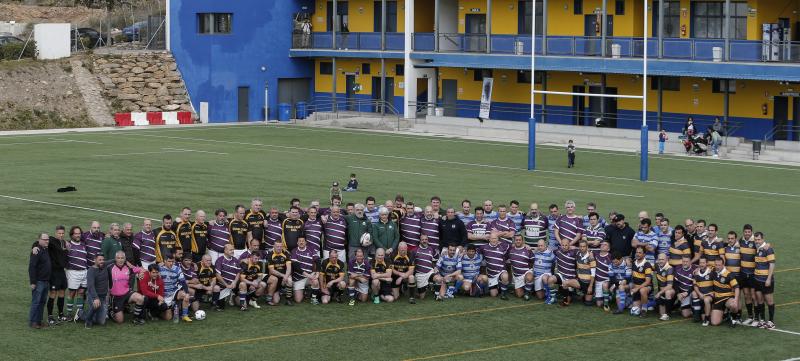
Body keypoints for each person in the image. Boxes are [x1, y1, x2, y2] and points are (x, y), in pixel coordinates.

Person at [108, 251, 146, 325]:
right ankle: (110, 311)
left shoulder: (129, 267)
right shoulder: (110, 268)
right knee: (120, 321)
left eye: (122, 258)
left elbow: (142, 270)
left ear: (125, 259)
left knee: (140, 298)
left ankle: (136, 318)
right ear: (115, 259)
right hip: (116, 297)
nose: (120, 260)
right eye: (118, 258)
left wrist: (141, 273)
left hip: (127, 293)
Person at [65, 226, 88, 322]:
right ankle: (69, 314)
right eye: (76, 233)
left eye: (79, 233)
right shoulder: (68, 245)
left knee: (81, 292)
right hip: (73, 272)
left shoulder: (83, 244)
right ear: (72, 235)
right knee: (72, 293)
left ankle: (79, 313)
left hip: (84, 272)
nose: (78, 235)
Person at [159, 255, 192, 323]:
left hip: (173, 292)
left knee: (185, 295)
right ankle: (157, 314)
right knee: (168, 318)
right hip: (163, 294)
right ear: (164, 261)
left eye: (172, 261)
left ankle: (185, 315)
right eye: (169, 261)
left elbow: (183, 281)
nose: (171, 263)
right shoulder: (159, 269)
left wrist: (187, 293)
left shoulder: (177, 269)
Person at [753, 232, 775, 329]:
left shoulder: (768, 249)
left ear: (763, 239)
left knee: (769, 301)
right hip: (757, 279)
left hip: (766, 280)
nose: (757, 241)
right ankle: (762, 320)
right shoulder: (757, 248)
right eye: (756, 239)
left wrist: (769, 279)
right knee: (760, 300)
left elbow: (772, 264)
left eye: (759, 239)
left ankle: (771, 321)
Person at [29, 233, 51, 329]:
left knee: (42, 302)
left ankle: (39, 321)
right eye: (44, 239)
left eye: (47, 239)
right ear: (39, 240)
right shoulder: (36, 251)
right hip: (38, 282)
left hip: (46, 281)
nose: (47, 241)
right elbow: (32, 267)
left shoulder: (45, 249)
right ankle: (33, 322)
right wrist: (33, 282)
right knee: (36, 302)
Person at [290, 237, 321, 304]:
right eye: (300, 241)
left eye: (303, 241)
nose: (301, 242)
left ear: (306, 242)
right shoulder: (294, 251)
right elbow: (296, 267)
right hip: (298, 278)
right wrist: (309, 275)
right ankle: (303, 291)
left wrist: (317, 273)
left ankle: (313, 298)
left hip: (308, 277)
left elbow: (318, 261)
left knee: (315, 281)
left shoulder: (311, 249)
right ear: (297, 243)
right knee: (298, 300)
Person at [480, 233, 510, 300]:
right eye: (492, 238)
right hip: (491, 274)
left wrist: (525, 245)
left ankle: (503, 294)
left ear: (498, 239)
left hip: (501, 271)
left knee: (505, 276)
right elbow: (476, 252)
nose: (494, 240)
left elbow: (513, 246)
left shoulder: (503, 246)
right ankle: (499, 286)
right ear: (489, 239)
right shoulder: (484, 247)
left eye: (495, 238)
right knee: (493, 294)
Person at [710, 258, 739, 326]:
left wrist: (736, 299)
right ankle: (725, 314)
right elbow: (704, 267)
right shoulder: (713, 270)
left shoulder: (729, 274)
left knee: (733, 304)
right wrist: (697, 269)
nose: (717, 267)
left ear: (723, 265)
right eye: (716, 265)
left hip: (727, 298)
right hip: (717, 299)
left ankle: (733, 320)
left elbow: (736, 288)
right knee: (714, 323)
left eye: (719, 265)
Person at [738, 225, 757, 325]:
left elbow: (764, 245)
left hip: (753, 274)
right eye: (745, 232)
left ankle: (757, 318)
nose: (747, 233)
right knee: (746, 295)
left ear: (751, 232)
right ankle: (750, 316)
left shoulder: (755, 241)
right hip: (744, 273)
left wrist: (768, 245)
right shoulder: (741, 240)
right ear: (743, 232)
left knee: (754, 296)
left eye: (749, 232)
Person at [83, 254, 109, 328]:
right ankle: (86, 319)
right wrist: (95, 298)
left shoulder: (104, 265)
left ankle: (88, 314)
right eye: (100, 260)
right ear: (95, 260)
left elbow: (113, 260)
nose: (102, 261)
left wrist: (125, 261)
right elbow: (90, 286)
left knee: (101, 321)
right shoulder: (91, 270)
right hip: (93, 295)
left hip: (103, 297)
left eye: (103, 260)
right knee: (96, 305)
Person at [265, 241, 293, 306]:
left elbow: (289, 268)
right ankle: (276, 292)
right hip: (275, 278)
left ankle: (288, 300)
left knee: (289, 280)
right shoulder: (270, 254)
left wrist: (286, 276)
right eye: (277, 246)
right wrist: (284, 276)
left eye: (281, 246)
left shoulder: (286, 253)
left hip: (284, 277)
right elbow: (272, 271)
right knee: (276, 301)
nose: (279, 248)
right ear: (274, 247)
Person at [412, 234, 438, 302]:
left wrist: (435, 267)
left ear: (428, 240)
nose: (424, 241)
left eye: (426, 239)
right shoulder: (415, 250)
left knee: (438, 278)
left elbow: (434, 261)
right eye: (422, 239)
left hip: (430, 272)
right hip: (420, 274)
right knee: (422, 297)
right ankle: (424, 287)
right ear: (420, 241)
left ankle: (437, 295)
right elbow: (411, 264)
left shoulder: (432, 249)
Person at [214, 244, 241, 310]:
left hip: (233, 285)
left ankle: (233, 296)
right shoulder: (220, 260)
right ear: (225, 250)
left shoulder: (235, 260)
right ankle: (217, 300)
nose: (232, 251)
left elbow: (238, 272)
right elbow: (218, 275)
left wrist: (234, 282)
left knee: (240, 303)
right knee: (221, 307)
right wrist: (226, 285)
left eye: (233, 250)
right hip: (223, 286)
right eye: (230, 250)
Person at [554, 238, 579, 307]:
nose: (564, 247)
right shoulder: (557, 251)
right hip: (562, 276)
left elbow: (584, 250)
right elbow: (547, 249)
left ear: (569, 245)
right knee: (551, 279)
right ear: (560, 245)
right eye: (563, 245)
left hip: (572, 277)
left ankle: (572, 293)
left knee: (570, 299)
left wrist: (576, 247)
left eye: (566, 245)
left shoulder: (574, 252)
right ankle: (553, 297)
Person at [509, 235, 535, 300]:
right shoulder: (510, 250)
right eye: (516, 240)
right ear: (514, 241)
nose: (518, 241)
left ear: (523, 241)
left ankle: (527, 293)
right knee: (519, 295)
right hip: (517, 276)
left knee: (529, 277)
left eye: (520, 240)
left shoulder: (528, 250)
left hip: (526, 272)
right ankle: (530, 287)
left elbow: (533, 261)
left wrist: (530, 271)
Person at [630, 246, 653, 317]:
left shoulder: (647, 264)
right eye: (637, 252)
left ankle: (644, 309)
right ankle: (649, 303)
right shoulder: (633, 262)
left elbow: (648, 282)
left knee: (642, 290)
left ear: (644, 254)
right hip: (636, 287)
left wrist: (637, 288)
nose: (637, 254)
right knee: (635, 309)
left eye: (640, 253)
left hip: (646, 287)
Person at [653, 253, 675, 321]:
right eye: (659, 259)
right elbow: (648, 266)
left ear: (666, 260)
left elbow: (669, 286)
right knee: (661, 314)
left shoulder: (670, 269)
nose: (661, 261)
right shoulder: (656, 265)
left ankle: (667, 314)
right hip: (661, 291)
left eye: (662, 259)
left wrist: (659, 293)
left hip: (671, 291)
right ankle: (665, 312)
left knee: (667, 292)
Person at [692, 257, 714, 326]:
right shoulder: (696, 273)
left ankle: (707, 319)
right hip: (701, 295)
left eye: (703, 263)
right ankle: (697, 314)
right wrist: (699, 293)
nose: (701, 264)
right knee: (693, 293)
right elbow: (695, 285)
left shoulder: (712, 272)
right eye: (700, 263)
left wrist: (713, 292)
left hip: (709, 295)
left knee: (706, 300)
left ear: (707, 263)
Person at [575, 240, 596, 306]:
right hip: (579, 281)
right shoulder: (578, 254)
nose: (582, 248)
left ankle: (590, 293)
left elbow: (593, 273)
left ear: (587, 247)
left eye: (584, 246)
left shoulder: (591, 257)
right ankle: (574, 293)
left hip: (588, 283)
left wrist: (590, 286)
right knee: (567, 282)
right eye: (580, 246)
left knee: (588, 303)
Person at [593, 240, 612, 310]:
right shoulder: (596, 255)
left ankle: (606, 304)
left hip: (607, 280)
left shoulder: (610, 257)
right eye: (602, 244)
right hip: (598, 281)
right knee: (599, 304)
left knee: (605, 284)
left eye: (605, 245)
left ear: (608, 249)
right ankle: (607, 296)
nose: (603, 245)